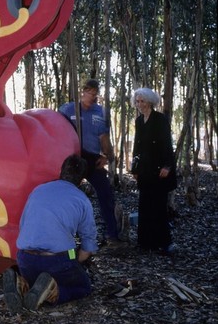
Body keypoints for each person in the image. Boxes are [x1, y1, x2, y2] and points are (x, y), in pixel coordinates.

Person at [2, 154, 98, 314]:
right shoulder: (82, 200)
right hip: (55, 261)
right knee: (83, 286)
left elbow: (23, 225)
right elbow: (87, 248)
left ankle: (22, 284)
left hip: (25, 259)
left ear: (60, 171)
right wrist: (76, 261)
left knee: (38, 278)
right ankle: (53, 292)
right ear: (81, 180)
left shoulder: (38, 190)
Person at [59, 79, 123, 246]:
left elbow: (104, 138)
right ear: (83, 91)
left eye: (96, 94)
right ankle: (63, 235)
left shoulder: (100, 112)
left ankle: (112, 234)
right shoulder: (67, 109)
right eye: (90, 93)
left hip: (93, 158)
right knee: (65, 194)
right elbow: (56, 131)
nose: (93, 96)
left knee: (105, 194)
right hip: (73, 158)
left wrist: (107, 156)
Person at [131, 88, 177, 254]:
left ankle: (165, 243)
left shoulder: (160, 119)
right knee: (144, 204)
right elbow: (137, 145)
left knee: (158, 205)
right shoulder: (138, 121)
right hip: (144, 169)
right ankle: (146, 242)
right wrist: (134, 168)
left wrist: (167, 166)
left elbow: (166, 143)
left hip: (159, 168)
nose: (140, 104)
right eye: (137, 101)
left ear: (150, 102)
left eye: (142, 101)